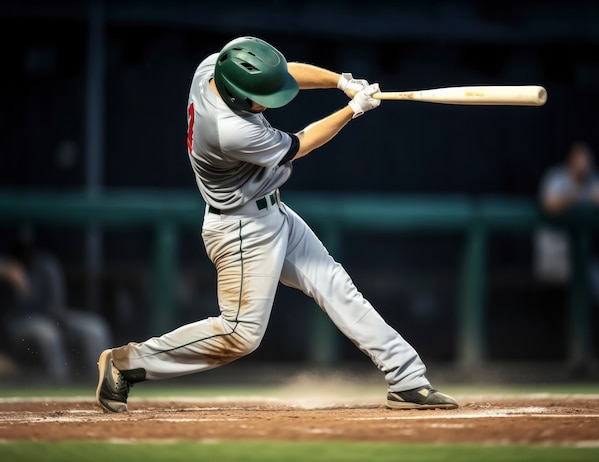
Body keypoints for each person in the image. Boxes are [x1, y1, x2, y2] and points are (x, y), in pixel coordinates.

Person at [96, 36, 458, 412]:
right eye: (257, 98)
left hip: (272, 213)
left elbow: (282, 77)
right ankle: (127, 363)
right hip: (241, 230)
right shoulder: (231, 130)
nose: (268, 103)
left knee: (336, 287)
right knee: (240, 335)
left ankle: (407, 378)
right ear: (236, 96)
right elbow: (302, 143)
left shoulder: (212, 68)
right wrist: (353, 110)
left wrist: (340, 81)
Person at [534, 140, 599, 364]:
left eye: (587, 161)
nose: (583, 165)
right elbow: (549, 205)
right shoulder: (557, 178)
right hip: (553, 259)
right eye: (579, 160)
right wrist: (577, 196)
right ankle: (582, 355)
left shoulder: (593, 181)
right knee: (582, 293)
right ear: (570, 162)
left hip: (581, 260)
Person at [1, 236, 114, 383]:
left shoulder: (47, 265)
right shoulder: (8, 265)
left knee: (95, 327)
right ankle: (60, 383)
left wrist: (58, 318)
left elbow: (55, 307)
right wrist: (5, 268)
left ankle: (103, 382)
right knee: (47, 333)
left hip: (52, 316)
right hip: (18, 322)